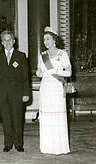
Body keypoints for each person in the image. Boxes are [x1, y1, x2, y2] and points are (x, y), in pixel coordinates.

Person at [0, 30, 30, 152]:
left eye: (10, 40)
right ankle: (8, 143)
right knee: (6, 119)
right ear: (2, 42)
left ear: (14, 41)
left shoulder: (21, 56)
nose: (7, 42)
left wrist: (26, 93)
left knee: (17, 118)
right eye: (5, 40)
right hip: (2, 93)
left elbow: (25, 77)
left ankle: (18, 143)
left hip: (17, 93)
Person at [36, 26, 71, 155]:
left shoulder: (63, 54)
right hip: (45, 87)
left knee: (57, 115)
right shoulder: (42, 55)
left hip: (56, 86)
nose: (46, 42)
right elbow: (39, 71)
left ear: (55, 40)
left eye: (48, 39)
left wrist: (56, 71)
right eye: (44, 39)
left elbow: (68, 72)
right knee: (46, 115)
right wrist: (39, 72)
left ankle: (59, 146)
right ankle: (47, 146)